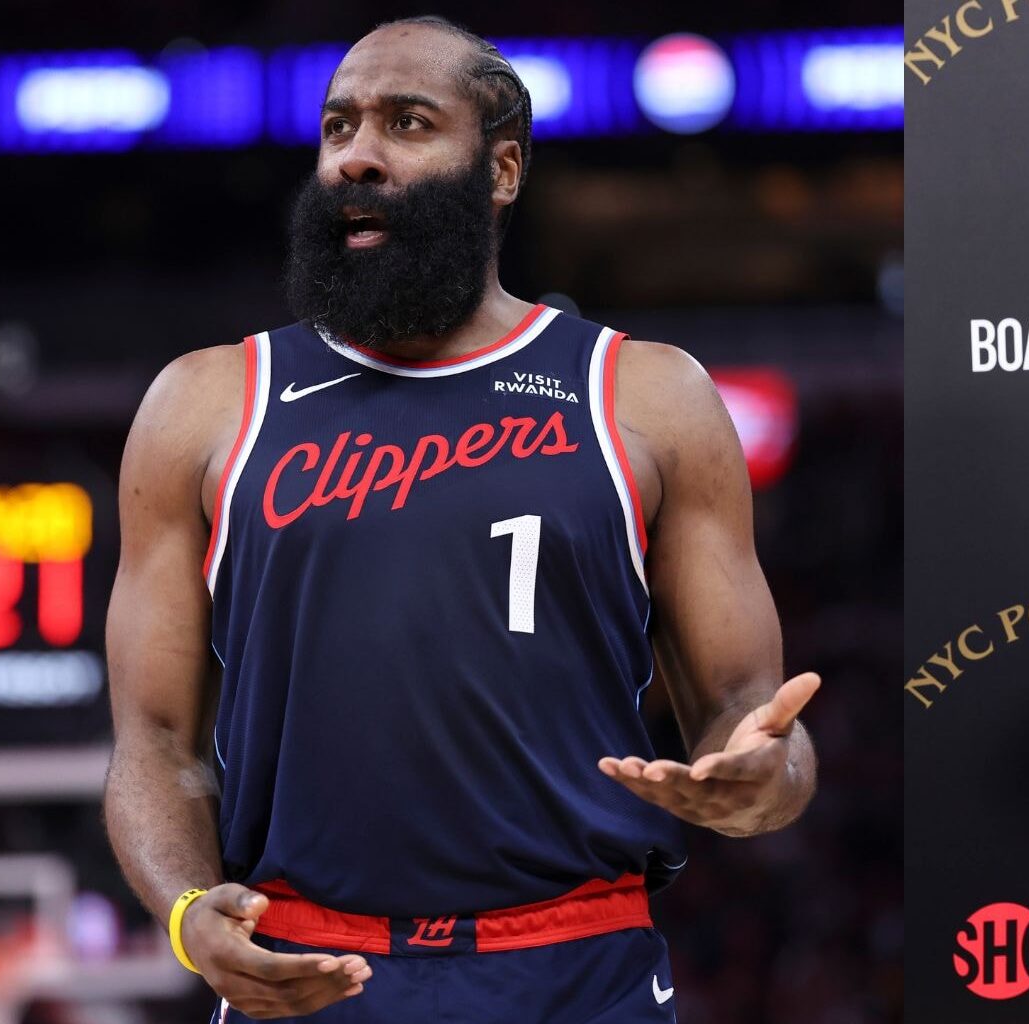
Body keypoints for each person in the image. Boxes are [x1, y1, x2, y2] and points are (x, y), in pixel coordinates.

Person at [102, 16, 818, 1021]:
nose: (357, 156)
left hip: (578, 965)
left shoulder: (644, 396)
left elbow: (749, 709)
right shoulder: (208, 403)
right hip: (310, 970)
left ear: (502, 170)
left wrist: (766, 776)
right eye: (339, 126)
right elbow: (154, 744)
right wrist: (186, 914)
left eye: (407, 123)